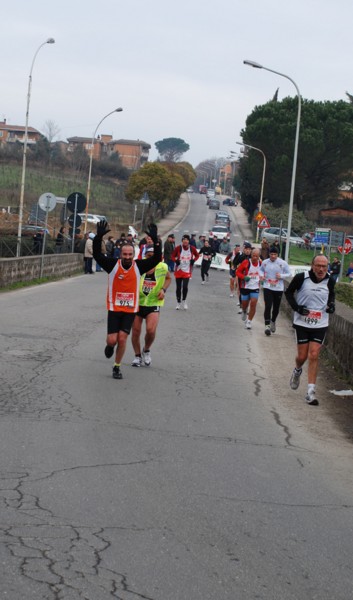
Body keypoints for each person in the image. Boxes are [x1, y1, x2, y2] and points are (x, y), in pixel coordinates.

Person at [93, 220, 162, 380]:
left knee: (122, 338)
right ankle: (110, 346)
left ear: (133, 255)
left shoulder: (138, 266)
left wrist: (156, 240)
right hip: (114, 309)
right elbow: (97, 255)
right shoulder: (112, 265)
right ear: (120, 254)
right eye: (125, 254)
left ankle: (117, 367)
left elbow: (157, 258)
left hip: (130, 310)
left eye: (130, 255)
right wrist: (98, 237)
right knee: (112, 340)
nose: (127, 257)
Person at [285, 255, 335, 406]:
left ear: (327, 268)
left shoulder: (330, 280)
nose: (321, 269)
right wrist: (297, 308)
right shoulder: (302, 278)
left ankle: (310, 392)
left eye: (324, 266)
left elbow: (331, 294)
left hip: (320, 323)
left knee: (314, 354)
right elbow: (288, 293)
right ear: (312, 265)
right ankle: (297, 370)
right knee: (302, 357)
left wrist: (331, 305)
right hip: (302, 322)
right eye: (318, 265)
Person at [131, 244, 171, 367]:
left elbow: (169, 278)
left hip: (154, 302)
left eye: (153, 256)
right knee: (136, 332)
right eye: (148, 256)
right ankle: (137, 356)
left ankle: (146, 350)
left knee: (151, 330)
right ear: (145, 256)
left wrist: (163, 290)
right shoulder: (138, 266)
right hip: (138, 302)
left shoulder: (162, 267)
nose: (151, 259)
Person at [259, 245, 291, 336]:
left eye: (275, 254)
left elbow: (289, 273)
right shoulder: (265, 262)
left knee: (276, 308)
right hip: (267, 286)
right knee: (268, 306)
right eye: (271, 254)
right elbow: (260, 270)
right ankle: (267, 326)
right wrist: (262, 275)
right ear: (269, 254)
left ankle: (273, 321)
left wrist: (281, 276)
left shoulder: (283, 263)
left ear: (277, 255)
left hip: (278, 288)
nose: (273, 256)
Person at [171, 234, 199, 309]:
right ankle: (178, 302)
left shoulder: (192, 248)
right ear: (182, 241)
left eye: (187, 240)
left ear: (188, 241)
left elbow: (197, 255)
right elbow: (172, 256)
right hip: (179, 270)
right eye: (184, 240)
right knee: (178, 287)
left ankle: (184, 300)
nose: (185, 241)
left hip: (187, 271)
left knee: (185, 287)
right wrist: (176, 260)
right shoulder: (178, 248)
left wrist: (194, 260)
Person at [236, 247, 261, 329]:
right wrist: (243, 277)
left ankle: (249, 321)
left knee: (253, 303)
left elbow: (265, 272)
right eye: (253, 256)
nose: (255, 258)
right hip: (245, 286)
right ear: (251, 255)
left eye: (257, 256)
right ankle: (244, 310)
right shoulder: (246, 262)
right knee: (244, 304)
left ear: (259, 256)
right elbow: (238, 272)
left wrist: (263, 279)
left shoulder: (261, 264)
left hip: (255, 287)